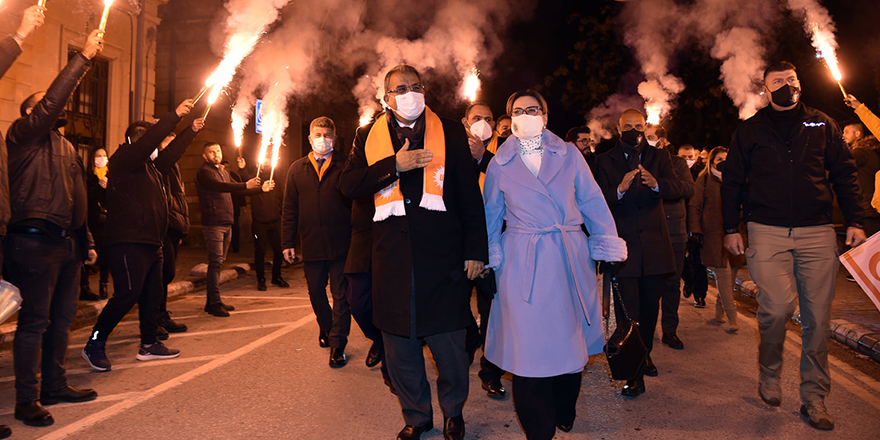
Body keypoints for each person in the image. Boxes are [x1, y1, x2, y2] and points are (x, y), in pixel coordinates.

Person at [338, 64, 487, 440]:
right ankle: (417, 417)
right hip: (392, 259)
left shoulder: (450, 131)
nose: (409, 94)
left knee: (449, 346)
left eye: (415, 86)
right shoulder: (367, 135)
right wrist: (394, 166)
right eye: (400, 88)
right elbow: (349, 184)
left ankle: (453, 412)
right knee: (400, 349)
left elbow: (470, 196)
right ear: (386, 98)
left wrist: (475, 250)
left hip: (443, 258)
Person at [722, 61, 866, 431]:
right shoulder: (750, 130)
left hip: (817, 232)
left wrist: (855, 220)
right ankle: (770, 372)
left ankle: (814, 397)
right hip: (766, 230)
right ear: (766, 91)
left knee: (817, 320)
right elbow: (732, 181)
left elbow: (845, 173)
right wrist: (730, 228)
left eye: (792, 79)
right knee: (775, 309)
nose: (787, 85)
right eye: (778, 81)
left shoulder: (822, 124)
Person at [483, 90, 626, 440]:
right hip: (521, 262)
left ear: (545, 116)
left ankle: (565, 404)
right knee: (527, 352)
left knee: (568, 346)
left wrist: (606, 242)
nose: (526, 115)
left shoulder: (570, 154)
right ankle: (538, 429)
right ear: (510, 119)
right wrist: (488, 260)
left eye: (533, 109)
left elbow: (592, 200)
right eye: (518, 110)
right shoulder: (499, 163)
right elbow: (491, 215)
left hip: (567, 258)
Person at [4, 28, 102, 428]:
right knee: (34, 322)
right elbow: (50, 105)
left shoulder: (65, 147)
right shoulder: (21, 135)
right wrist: (83, 58)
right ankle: (27, 399)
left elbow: (78, 198)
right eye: (43, 105)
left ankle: (55, 385)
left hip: (67, 244)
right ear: (32, 113)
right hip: (31, 241)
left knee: (62, 320)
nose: (52, 108)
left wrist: (86, 240)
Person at [81, 101, 202, 371]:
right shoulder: (124, 160)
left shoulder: (151, 167)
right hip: (127, 242)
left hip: (151, 242)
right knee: (127, 294)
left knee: (151, 293)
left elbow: (172, 153)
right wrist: (174, 116)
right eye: (151, 142)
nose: (156, 148)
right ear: (139, 141)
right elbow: (149, 143)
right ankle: (94, 344)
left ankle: (149, 344)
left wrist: (191, 130)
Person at [593, 108, 684, 397]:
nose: (634, 131)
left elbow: (678, 188)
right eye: (628, 126)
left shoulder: (659, 157)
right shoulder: (604, 160)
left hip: (655, 249)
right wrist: (619, 189)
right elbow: (594, 198)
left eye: (639, 126)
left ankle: (645, 355)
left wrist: (657, 184)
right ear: (619, 129)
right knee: (627, 314)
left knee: (649, 310)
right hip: (623, 251)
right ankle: (633, 374)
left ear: (646, 127)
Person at [283, 117, 352, 367]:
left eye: (327, 135)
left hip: (342, 244)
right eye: (318, 135)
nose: (323, 139)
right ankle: (326, 326)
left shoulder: (346, 165)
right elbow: (290, 208)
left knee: (341, 296)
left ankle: (338, 344)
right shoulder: (297, 169)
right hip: (311, 243)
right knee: (315, 292)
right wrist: (287, 242)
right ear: (310, 138)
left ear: (334, 138)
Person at [461, 101, 507, 399]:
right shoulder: (450, 147)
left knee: (492, 312)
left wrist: (482, 158)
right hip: (460, 244)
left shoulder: (504, 153)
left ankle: (490, 371)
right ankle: (466, 345)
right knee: (455, 306)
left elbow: (511, 181)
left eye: (488, 119)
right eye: (477, 118)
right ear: (465, 122)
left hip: (493, 245)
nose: (483, 123)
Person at [196, 143, 266, 317]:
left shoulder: (223, 172)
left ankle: (212, 301)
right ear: (205, 156)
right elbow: (220, 186)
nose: (216, 154)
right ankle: (214, 303)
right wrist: (245, 185)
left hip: (226, 222)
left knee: (219, 262)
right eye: (211, 152)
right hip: (214, 223)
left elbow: (238, 191)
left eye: (218, 151)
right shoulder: (204, 173)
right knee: (215, 263)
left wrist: (260, 189)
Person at [646, 124, 694, 349]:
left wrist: (660, 183)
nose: (646, 140)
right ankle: (645, 330)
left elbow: (688, 189)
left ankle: (670, 330)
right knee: (650, 285)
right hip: (648, 231)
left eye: (650, 137)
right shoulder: (639, 161)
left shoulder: (677, 163)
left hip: (674, 232)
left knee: (672, 284)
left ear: (662, 141)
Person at [688, 147, 741, 332]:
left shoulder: (735, 180)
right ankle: (732, 318)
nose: (723, 162)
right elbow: (694, 206)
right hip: (713, 236)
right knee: (724, 276)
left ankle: (719, 310)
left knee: (731, 278)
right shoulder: (704, 181)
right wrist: (696, 230)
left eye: (726, 159)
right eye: (719, 159)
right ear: (711, 161)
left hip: (735, 235)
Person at [158, 132, 191, 335]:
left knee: (168, 273)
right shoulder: (160, 165)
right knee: (162, 274)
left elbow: (179, 198)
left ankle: (161, 313)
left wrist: (182, 227)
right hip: (164, 226)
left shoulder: (175, 167)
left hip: (174, 226)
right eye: (170, 144)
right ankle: (155, 317)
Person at [245, 160, 288, 291]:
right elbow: (245, 182)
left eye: (268, 162)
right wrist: (242, 168)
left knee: (279, 250)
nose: (266, 164)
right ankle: (261, 279)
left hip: (275, 221)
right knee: (260, 251)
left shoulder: (275, 178)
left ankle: (276, 276)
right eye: (263, 162)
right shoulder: (255, 179)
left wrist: (282, 214)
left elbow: (281, 196)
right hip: (259, 222)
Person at [81, 147, 110, 301]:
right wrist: (98, 186)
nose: (101, 158)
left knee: (105, 255)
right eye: (98, 156)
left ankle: (104, 285)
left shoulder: (110, 176)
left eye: (104, 155)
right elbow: (87, 198)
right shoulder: (89, 178)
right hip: (92, 222)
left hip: (106, 222)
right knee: (90, 253)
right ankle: (84, 286)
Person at [842, 122, 880, 238]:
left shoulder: (862, 152)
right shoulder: (870, 152)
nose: (843, 135)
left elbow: (841, 159)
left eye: (847, 132)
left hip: (865, 211)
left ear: (857, 134)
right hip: (869, 210)